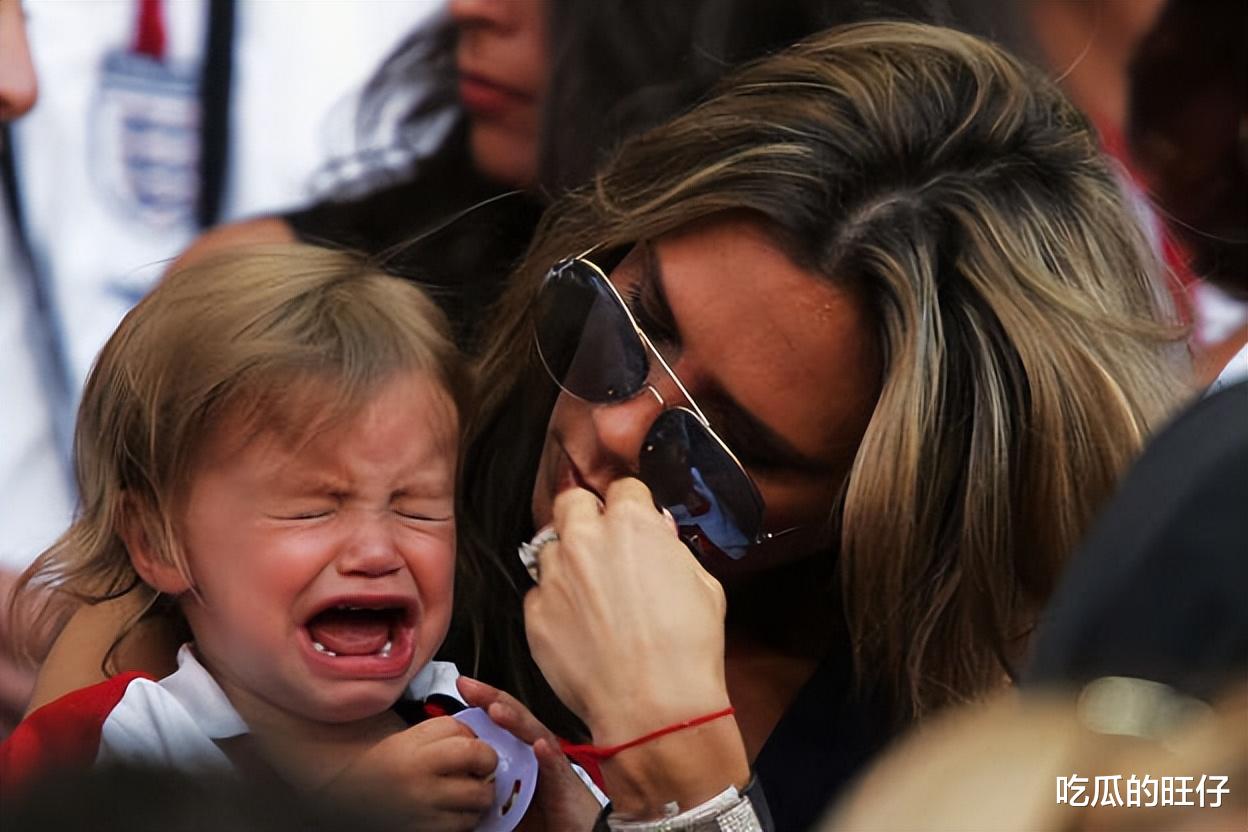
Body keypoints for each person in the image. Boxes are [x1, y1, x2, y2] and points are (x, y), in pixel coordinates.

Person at [28, 21, 1189, 832]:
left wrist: (684, 777)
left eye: (730, 447)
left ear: (894, 505)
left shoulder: (1039, 712)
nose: (612, 429)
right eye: (625, 322)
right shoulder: (334, 485)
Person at [0, 246, 601, 830]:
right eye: (311, 511)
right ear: (159, 543)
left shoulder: (485, 735)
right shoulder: (109, 747)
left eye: (417, 509)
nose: (376, 551)